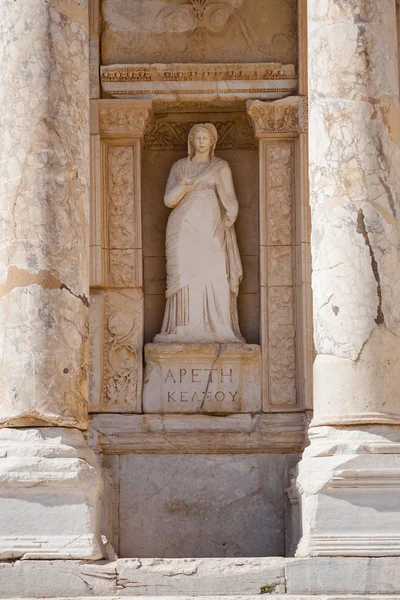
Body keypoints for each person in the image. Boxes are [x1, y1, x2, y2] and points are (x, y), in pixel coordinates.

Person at [154, 123, 245, 344]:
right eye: (197, 138)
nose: (201, 141)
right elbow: (168, 200)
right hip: (183, 227)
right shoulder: (180, 167)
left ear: (212, 142)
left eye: (205, 138)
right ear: (192, 142)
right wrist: (184, 188)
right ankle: (184, 326)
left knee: (215, 271)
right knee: (185, 274)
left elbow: (231, 199)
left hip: (211, 225)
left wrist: (231, 214)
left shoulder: (220, 167)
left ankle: (220, 325)